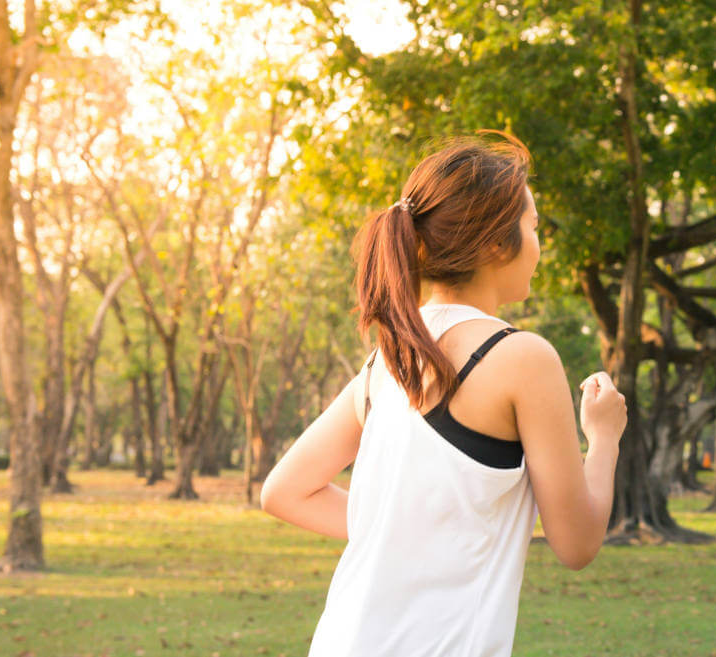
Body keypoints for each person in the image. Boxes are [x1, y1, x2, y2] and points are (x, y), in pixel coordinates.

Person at [259, 131, 627, 657]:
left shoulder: (387, 360)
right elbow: (577, 542)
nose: (539, 244)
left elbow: (285, 492)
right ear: (499, 244)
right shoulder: (523, 358)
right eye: (534, 226)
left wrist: (403, 532)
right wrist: (605, 437)